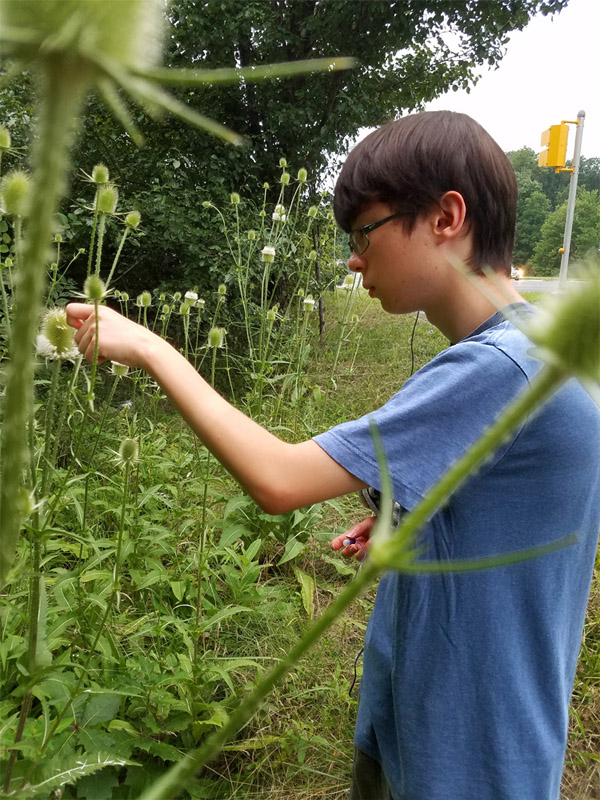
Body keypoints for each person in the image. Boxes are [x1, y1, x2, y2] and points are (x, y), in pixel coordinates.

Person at [67, 111, 600, 800]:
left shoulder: (500, 367)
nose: (353, 260)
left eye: (364, 234)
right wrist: (405, 518)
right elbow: (516, 497)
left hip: (466, 752)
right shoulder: (541, 347)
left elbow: (279, 480)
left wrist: (151, 349)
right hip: (447, 725)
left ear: (446, 217)